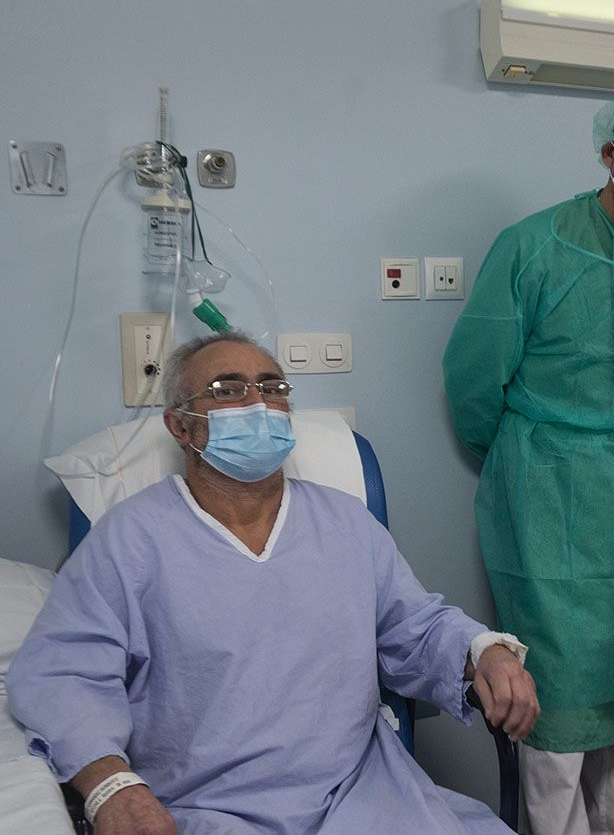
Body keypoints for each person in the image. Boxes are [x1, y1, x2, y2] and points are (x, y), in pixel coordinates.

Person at [9, 332, 539, 835]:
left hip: (362, 795)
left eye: (273, 387)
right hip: (205, 807)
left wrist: (482, 652)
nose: (258, 403)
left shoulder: (345, 523)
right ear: (180, 425)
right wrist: (111, 788)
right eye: (228, 389)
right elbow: (65, 673)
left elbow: (416, 627)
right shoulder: (129, 539)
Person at [442, 83, 614, 834]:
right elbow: (473, 376)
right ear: (610, 151)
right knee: (552, 690)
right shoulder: (534, 243)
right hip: (546, 487)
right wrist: (528, 455)